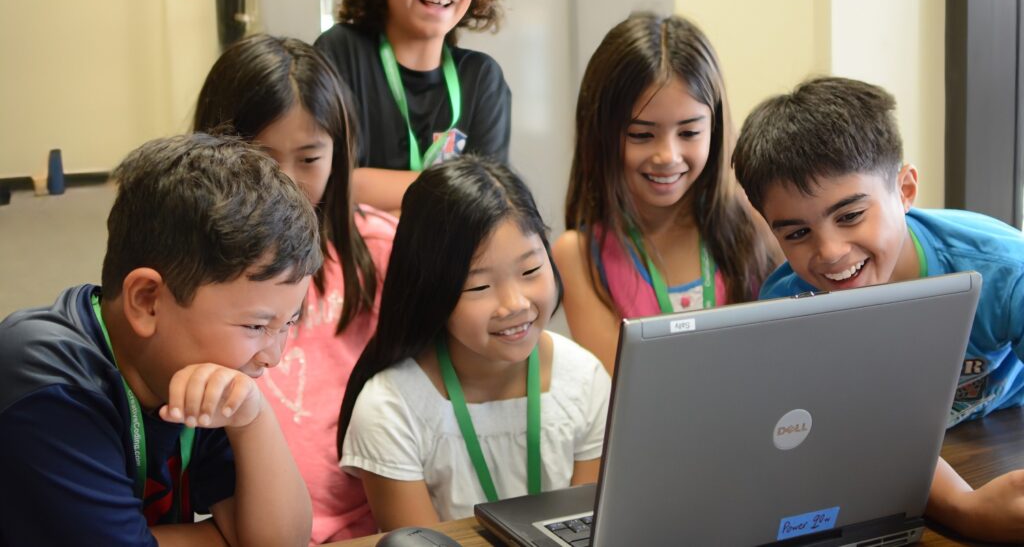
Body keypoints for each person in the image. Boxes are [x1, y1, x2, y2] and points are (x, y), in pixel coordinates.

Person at [732, 76, 1024, 543]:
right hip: (898, 457)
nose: (830, 252)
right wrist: (965, 510)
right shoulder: (788, 307)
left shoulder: (1003, 269)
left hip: (1000, 428)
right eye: (797, 233)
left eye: (850, 216)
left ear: (905, 190)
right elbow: (856, 435)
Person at [0, 134, 320, 546]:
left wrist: (253, 419)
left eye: (289, 322)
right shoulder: (45, 387)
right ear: (147, 301)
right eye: (256, 327)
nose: (273, 356)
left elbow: (281, 542)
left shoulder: (198, 373)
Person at [194, 34, 397, 543]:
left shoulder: (378, 251)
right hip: (253, 525)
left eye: (309, 159)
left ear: (339, 155)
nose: (285, 182)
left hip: (373, 522)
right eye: (261, 158)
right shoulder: (194, 270)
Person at [337, 156, 610, 529]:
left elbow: (591, 531)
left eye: (531, 269)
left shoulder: (585, 380)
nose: (515, 304)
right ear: (431, 290)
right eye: (479, 286)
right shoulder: (391, 409)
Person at [553, 12, 778, 373]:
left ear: (715, 128)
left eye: (689, 133)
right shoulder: (579, 256)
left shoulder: (758, 217)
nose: (667, 156)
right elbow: (628, 387)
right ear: (600, 133)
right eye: (641, 135)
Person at [315, 0, 512, 213]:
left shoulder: (482, 79)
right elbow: (328, 185)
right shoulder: (341, 53)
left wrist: (371, 189)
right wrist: (454, 191)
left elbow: (488, 202)